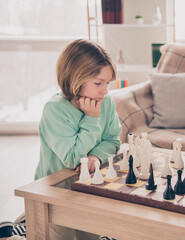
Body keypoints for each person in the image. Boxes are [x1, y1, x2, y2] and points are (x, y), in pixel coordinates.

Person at [34, 39, 121, 240]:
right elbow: (73, 158)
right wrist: (91, 119)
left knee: (91, 235)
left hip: (90, 188)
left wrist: (95, 158)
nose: (105, 91)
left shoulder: (106, 102)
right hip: (56, 192)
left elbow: (112, 140)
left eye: (107, 83)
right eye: (98, 83)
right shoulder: (55, 110)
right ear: (75, 77)